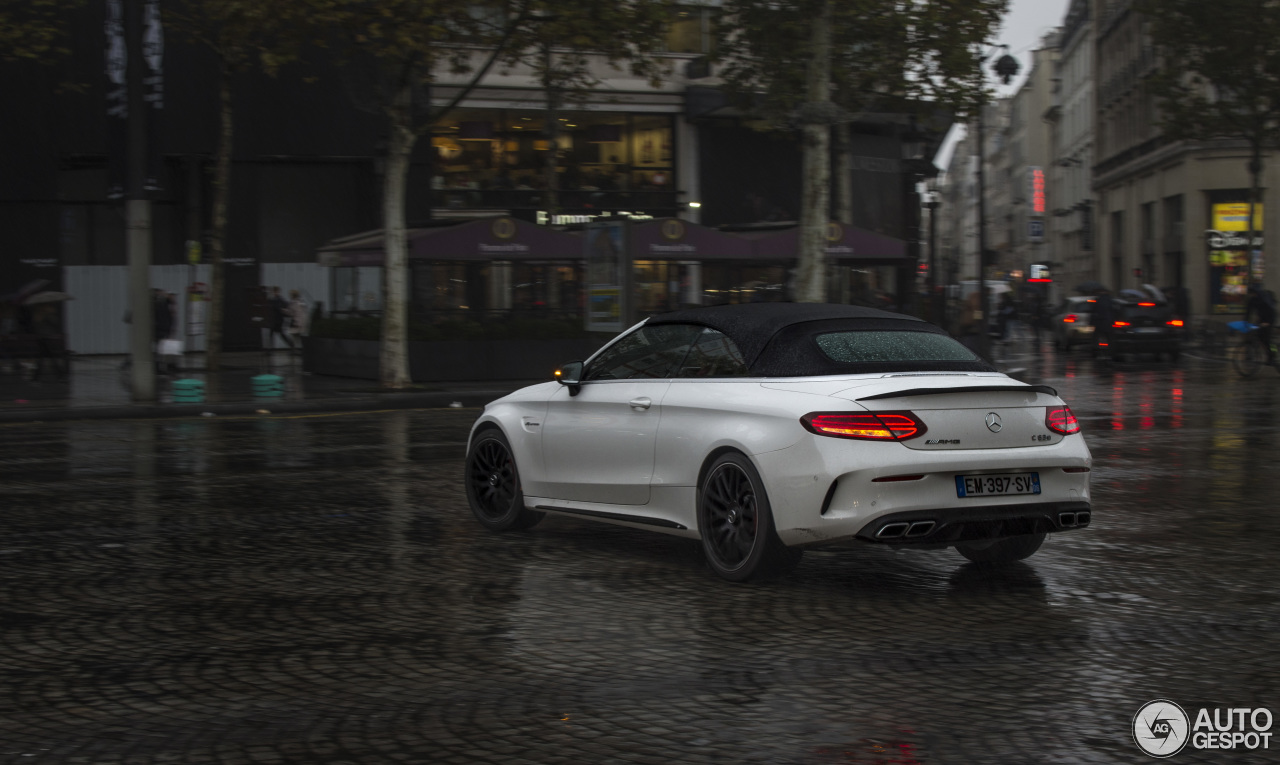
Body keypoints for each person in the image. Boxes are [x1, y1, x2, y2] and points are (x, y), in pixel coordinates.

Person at [1246, 282, 1277, 365]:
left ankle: (1272, 355)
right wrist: (1246, 322)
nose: (1252, 294)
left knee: (1266, 339)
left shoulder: (1264, 298)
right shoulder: (1252, 300)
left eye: (1253, 292)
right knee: (1258, 336)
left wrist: (1268, 323)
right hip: (1261, 319)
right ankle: (1250, 353)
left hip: (1269, 318)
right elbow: (1248, 312)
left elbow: (1271, 311)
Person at [1090, 286, 1114, 359]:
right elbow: (1113, 311)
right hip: (1108, 322)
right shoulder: (1110, 300)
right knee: (1109, 338)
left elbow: (1094, 311)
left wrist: (1091, 322)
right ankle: (1109, 352)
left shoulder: (1098, 300)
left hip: (1099, 322)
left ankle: (1096, 351)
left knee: (1096, 337)